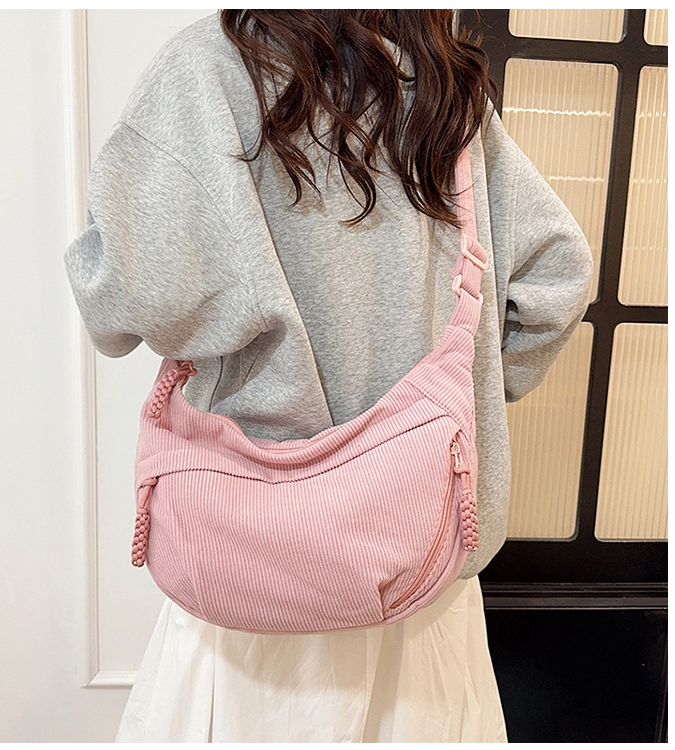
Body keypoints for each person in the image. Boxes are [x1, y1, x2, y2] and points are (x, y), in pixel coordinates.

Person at [64, 10, 593, 743]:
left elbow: (124, 299)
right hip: (420, 573)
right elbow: (557, 276)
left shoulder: (209, 68)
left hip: (248, 572)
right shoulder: (438, 86)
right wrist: (453, 387)